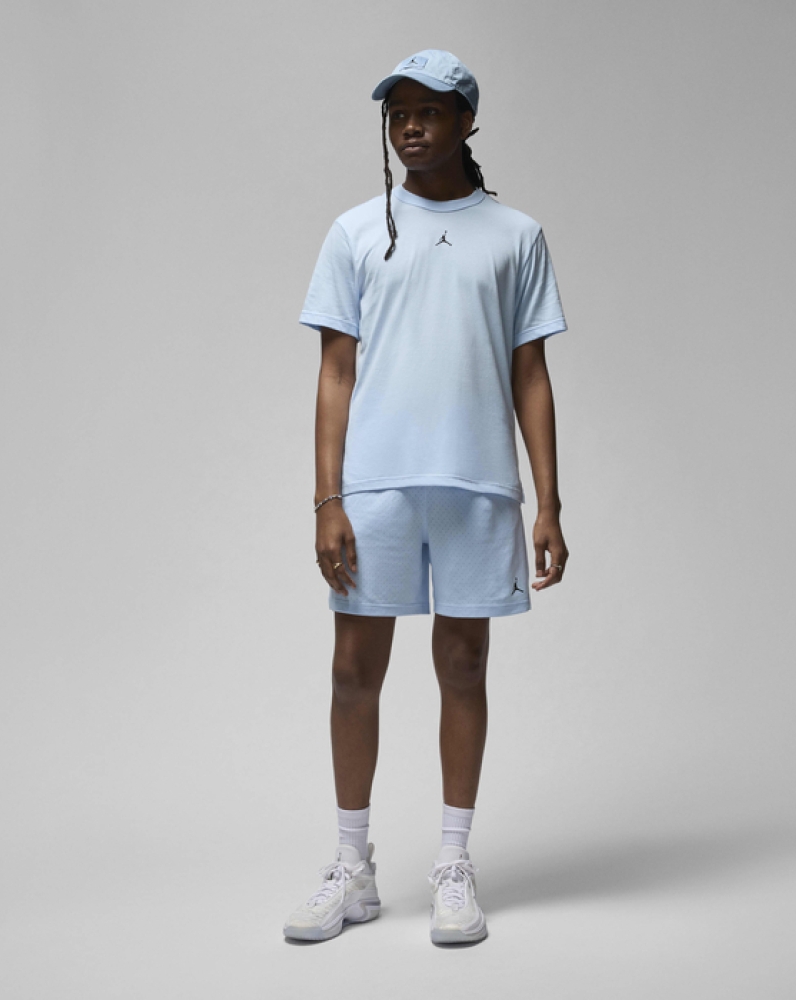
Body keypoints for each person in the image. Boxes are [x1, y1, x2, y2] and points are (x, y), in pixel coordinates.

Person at [283, 49, 569, 946]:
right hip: (376, 485)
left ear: (467, 121)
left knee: (465, 667)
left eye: (430, 111)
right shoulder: (355, 231)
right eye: (398, 112)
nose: (410, 126)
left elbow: (531, 372)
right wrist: (327, 498)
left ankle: (453, 863)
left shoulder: (516, 235)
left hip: (477, 482)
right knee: (351, 672)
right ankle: (352, 867)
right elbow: (335, 371)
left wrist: (549, 503)